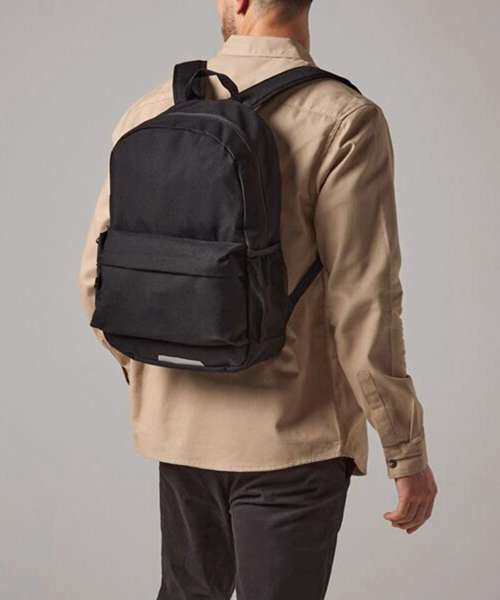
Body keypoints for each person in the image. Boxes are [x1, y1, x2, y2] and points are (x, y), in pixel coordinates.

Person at [79, 0, 438, 598]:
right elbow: (365, 305)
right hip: (293, 436)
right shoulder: (344, 119)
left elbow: (96, 279)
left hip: (178, 433)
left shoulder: (153, 110)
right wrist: (405, 451)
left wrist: (161, 376)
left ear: (240, 2)